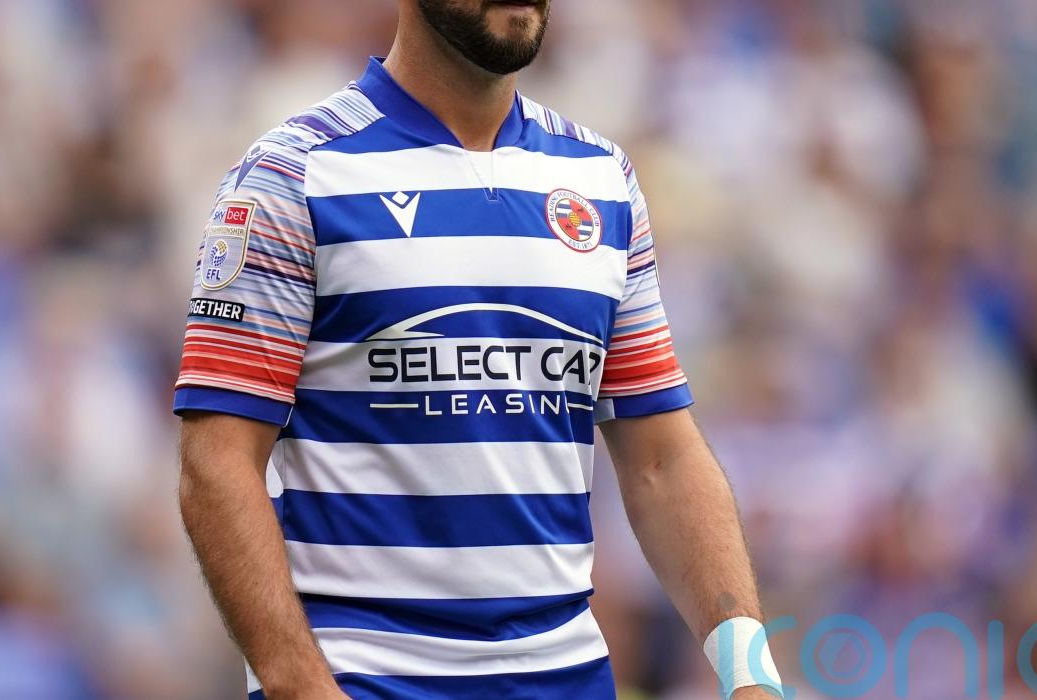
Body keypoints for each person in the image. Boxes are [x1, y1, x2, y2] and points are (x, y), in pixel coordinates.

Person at [174, 1, 783, 698]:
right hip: (369, 679)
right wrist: (298, 683)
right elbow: (217, 463)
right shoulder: (294, 175)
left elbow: (661, 459)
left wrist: (750, 676)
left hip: (567, 679)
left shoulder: (601, 179)